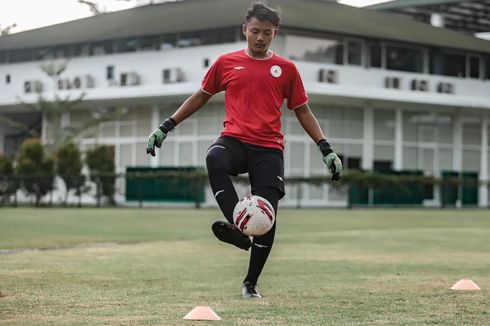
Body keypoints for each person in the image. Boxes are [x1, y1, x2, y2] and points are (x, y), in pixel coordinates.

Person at [146, 2, 342, 298]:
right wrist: (166, 126)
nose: (260, 38)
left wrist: (325, 147)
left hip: (268, 150)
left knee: (267, 218)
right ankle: (237, 228)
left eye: (266, 33)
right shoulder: (225, 63)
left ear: (275, 33)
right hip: (235, 141)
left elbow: (302, 111)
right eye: (254, 32)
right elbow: (200, 96)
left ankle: (250, 283)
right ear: (244, 30)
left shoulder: (287, 70)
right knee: (215, 157)